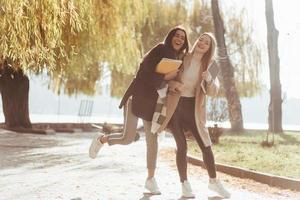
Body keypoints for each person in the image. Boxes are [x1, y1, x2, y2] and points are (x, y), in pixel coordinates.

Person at [88, 26, 189, 195]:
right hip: (136, 98)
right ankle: (102, 139)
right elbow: (143, 73)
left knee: (152, 140)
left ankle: (150, 179)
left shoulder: (179, 59)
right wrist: (165, 77)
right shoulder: (160, 49)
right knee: (128, 138)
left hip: (153, 105)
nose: (179, 39)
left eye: (183, 37)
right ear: (171, 37)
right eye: (177, 35)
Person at [151, 33, 231, 198]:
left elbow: (214, 91)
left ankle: (214, 182)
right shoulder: (183, 57)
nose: (202, 42)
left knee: (206, 146)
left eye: (207, 42)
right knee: (182, 146)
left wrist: (209, 80)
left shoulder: (212, 65)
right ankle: (185, 185)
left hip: (194, 110)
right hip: (175, 107)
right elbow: (166, 79)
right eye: (201, 39)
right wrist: (175, 85)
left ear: (210, 48)